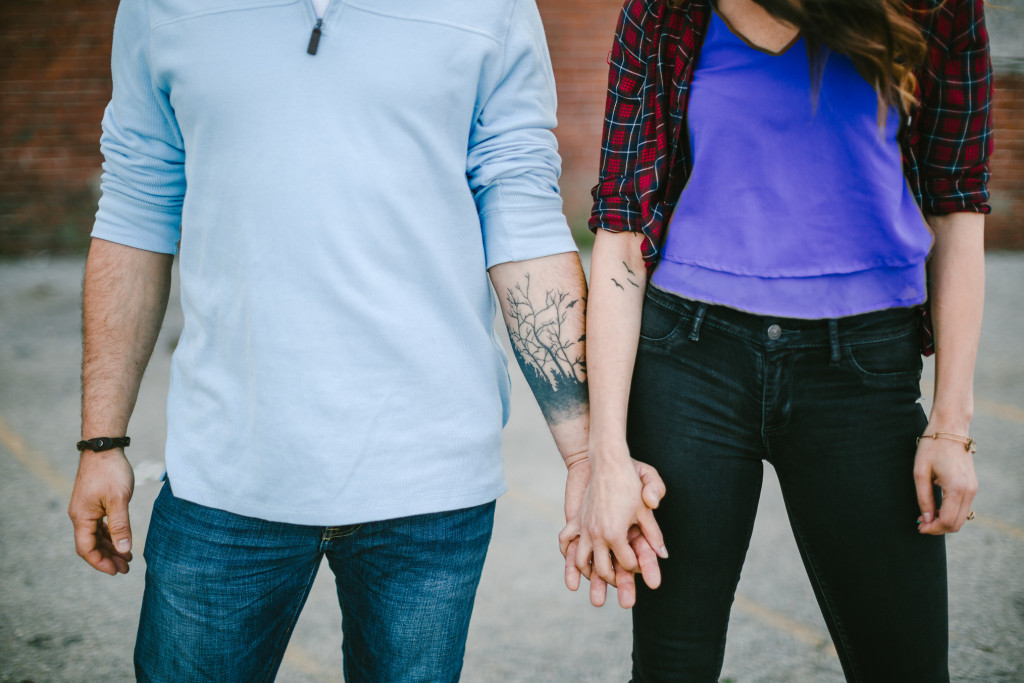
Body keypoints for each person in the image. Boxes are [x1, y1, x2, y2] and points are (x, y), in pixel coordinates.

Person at [66, 0, 666, 679]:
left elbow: (520, 208)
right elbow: (135, 207)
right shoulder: (161, 6)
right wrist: (100, 440)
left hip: (431, 485)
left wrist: (588, 454)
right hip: (227, 474)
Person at [562, 0, 992, 679]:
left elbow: (958, 204)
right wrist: (607, 457)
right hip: (690, 361)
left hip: (862, 372)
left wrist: (950, 423)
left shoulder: (931, 8)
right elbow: (620, 232)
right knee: (672, 664)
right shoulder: (666, 11)